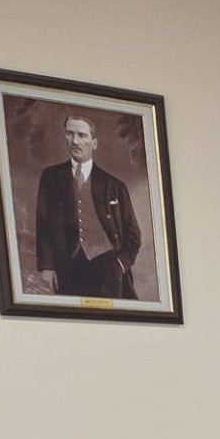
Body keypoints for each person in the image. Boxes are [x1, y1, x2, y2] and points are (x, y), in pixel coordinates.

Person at [34, 113, 143, 299]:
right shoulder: (51, 177)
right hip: (67, 267)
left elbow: (133, 235)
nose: (75, 141)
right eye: (70, 133)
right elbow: (43, 225)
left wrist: (120, 265)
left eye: (82, 135)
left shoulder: (114, 186)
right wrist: (47, 267)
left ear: (94, 143)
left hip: (107, 269)